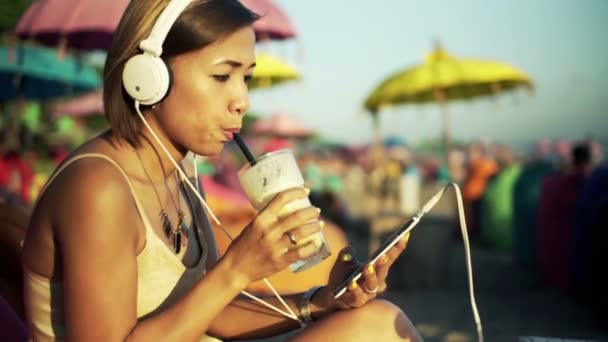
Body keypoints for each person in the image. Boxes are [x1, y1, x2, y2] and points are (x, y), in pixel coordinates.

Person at [22, 0, 421, 341]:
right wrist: (236, 268)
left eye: (245, 78)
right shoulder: (98, 189)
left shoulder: (181, 171)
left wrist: (322, 300)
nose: (242, 101)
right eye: (221, 76)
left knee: (377, 321)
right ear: (149, 78)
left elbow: (209, 310)